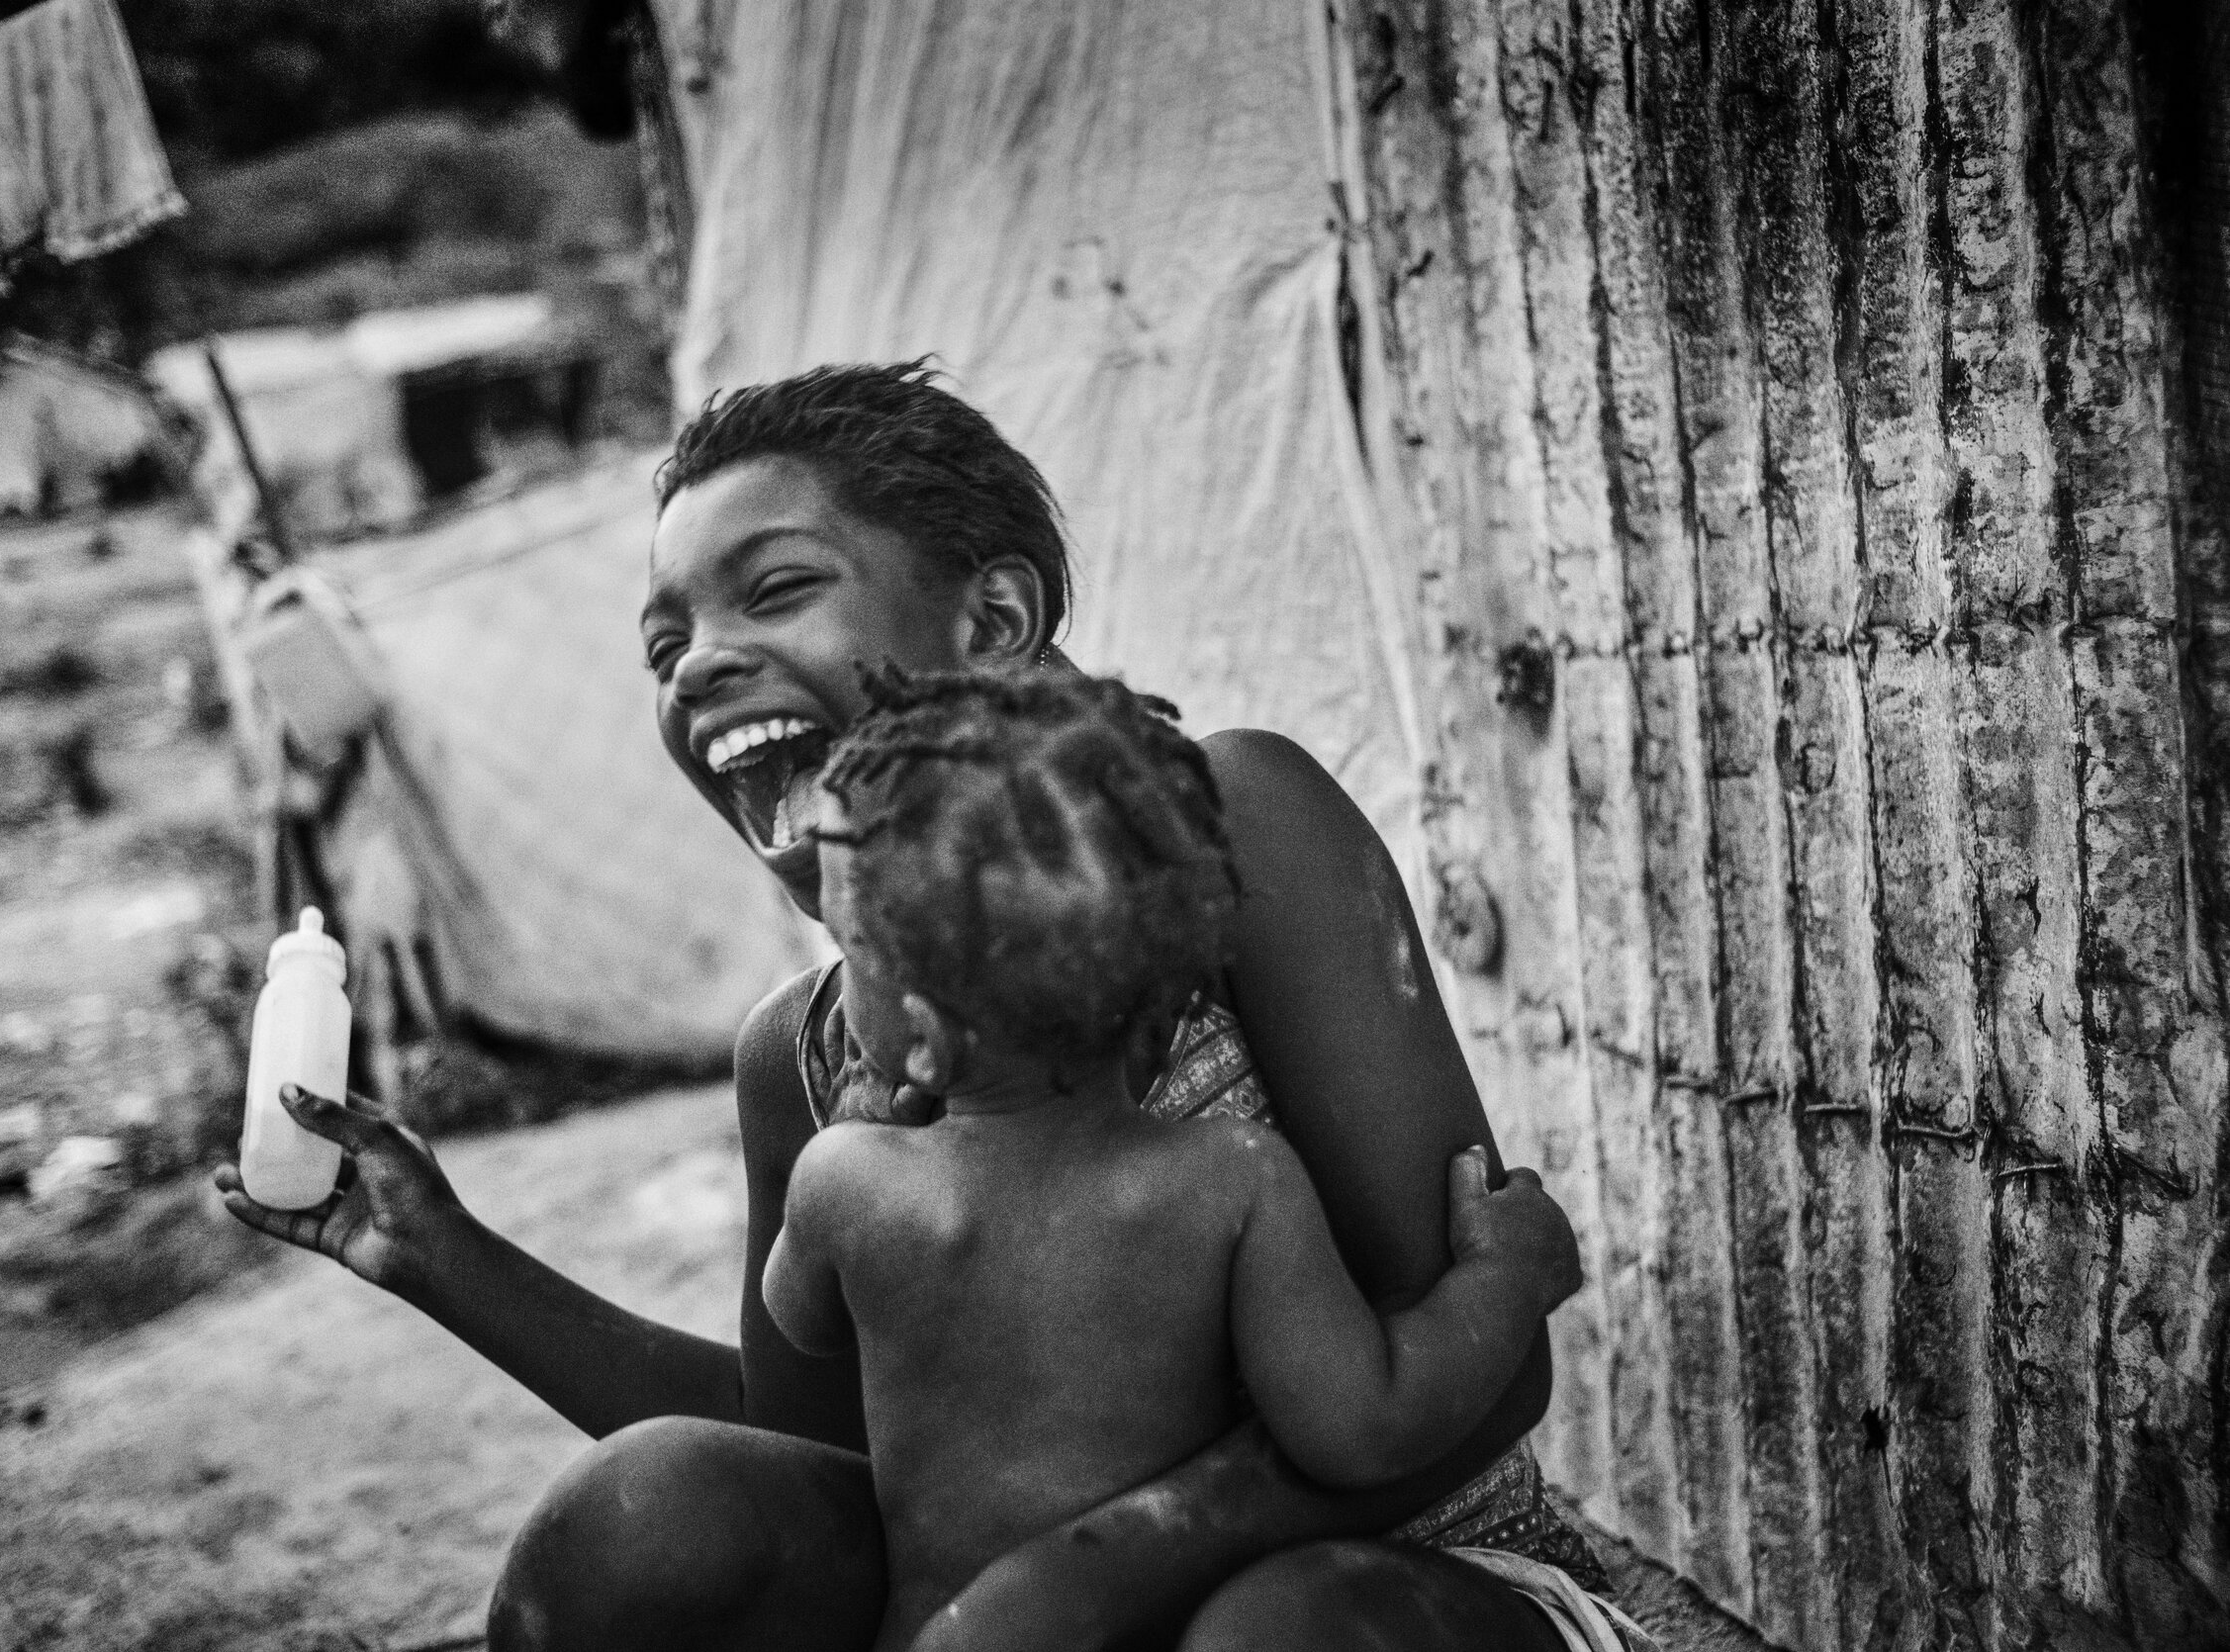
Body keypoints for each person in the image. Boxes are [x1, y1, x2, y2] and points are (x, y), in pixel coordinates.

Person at [218, 361, 1624, 1651]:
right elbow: (819, 1447)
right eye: (664, 644)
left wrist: (1079, 1569)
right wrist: (443, 1254)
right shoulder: (812, 1051)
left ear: (996, 623)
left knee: (1278, 1635)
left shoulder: (1237, 833)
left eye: (773, 590)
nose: (698, 660)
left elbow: (1468, 1381)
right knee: (638, 1522)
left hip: (1392, 1591)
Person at [763, 666, 1596, 1652]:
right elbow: (1363, 1422)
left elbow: (799, 1321)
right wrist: (1508, 1276)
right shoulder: (1231, 1180)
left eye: (852, 945)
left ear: (923, 1036)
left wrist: (867, 1119)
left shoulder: (844, 1181)